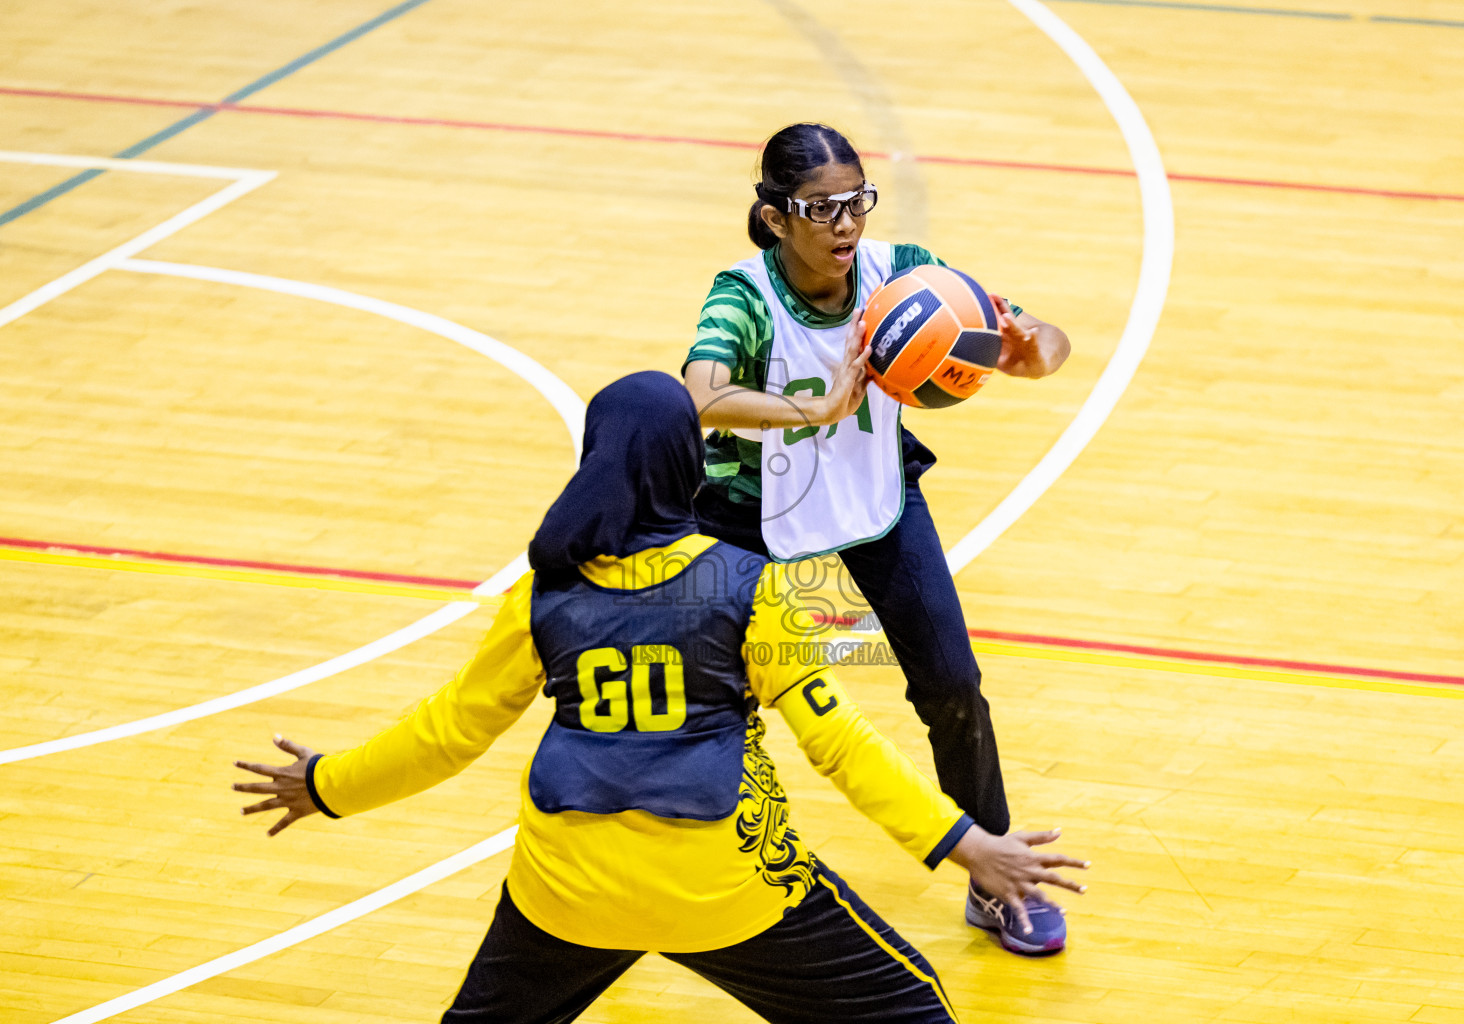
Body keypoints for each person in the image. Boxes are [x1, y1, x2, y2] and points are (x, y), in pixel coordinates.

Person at [233, 372, 1087, 1024]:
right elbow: (841, 744)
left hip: (565, 890)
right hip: (724, 888)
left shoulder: (541, 593)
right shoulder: (752, 586)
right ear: (689, 458)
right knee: (920, 1004)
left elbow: (449, 731)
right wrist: (965, 843)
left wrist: (325, 785)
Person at [681, 123, 1073, 955]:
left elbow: (1044, 341)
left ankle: (992, 875)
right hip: (748, 512)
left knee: (953, 684)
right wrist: (813, 410)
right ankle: (660, 869)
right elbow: (702, 394)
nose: (845, 225)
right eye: (821, 209)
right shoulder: (743, 296)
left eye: (855, 202)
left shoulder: (910, 278)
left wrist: (1033, 351)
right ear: (777, 217)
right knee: (700, 702)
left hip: (874, 498)